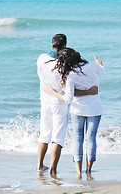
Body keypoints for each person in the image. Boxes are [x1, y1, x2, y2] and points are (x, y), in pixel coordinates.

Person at [37, 34, 98, 176]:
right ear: (64, 46)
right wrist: (89, 91)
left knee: (44, 133)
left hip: (44, 101)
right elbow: (69, 93)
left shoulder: (41, 59)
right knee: (57, 137)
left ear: (52, 45)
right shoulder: (63, 66)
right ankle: (53, 169)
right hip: (59, 103)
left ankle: (40, 165)